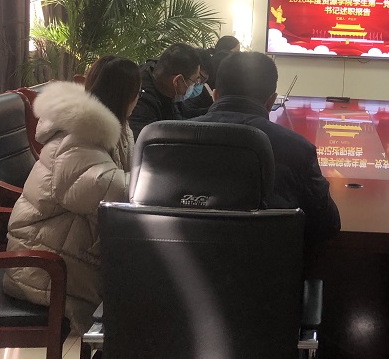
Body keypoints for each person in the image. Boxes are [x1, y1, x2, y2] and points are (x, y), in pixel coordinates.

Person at [3, 58, 141, 334]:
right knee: (143, 293)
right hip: (43, 265)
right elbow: (106, 190)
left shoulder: (112, 127)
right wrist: (157, 179)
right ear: (128, 96)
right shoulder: (77, 137)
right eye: (139, 93)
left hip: (66, 248)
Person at [192, 51, 341, 245]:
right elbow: (328, 225)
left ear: (215, 95)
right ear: (271, 101)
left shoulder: (168, 139)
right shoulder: (297, 148)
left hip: (180, 261)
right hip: (267, 262)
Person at [128, 43, 202, 137]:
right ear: (177, 81)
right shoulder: (140, 101)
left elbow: (181, 114)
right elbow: (149, 142)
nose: (194, 86)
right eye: (194, 82)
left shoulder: (164, 81)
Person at [83, 55, 140, 171]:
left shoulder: (122, 127)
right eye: (138, 93)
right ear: (124, 97)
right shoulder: (85, 134)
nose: (138, 99)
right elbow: (103, 179)